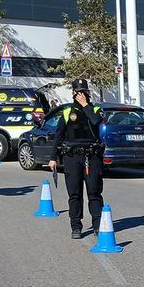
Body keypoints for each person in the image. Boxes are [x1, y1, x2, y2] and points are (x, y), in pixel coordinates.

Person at [49, 79, 105, 239]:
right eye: (77, 92)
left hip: (91, 156)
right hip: (72, 157)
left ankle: (97, 226)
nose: (80, 94)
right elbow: (58, 136)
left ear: (87, 93)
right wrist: (53, 157)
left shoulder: (95, 109)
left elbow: (95, 121)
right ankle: (76, 226)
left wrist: (85, 105)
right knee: (74, 193)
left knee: (94, 191)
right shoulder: (67, 111)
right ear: (73, 93)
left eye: (83, 91)